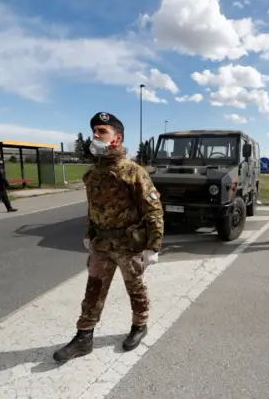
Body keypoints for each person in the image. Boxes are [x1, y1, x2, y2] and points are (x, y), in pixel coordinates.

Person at [53, 111, 164, 362]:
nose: (96, 135)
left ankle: (139, 325)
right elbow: (92, 209)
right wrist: (88, 235)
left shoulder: (133, 172)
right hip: (101, 244)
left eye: (102, 131)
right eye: (94, 130)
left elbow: (153, 209)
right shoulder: (91, 174)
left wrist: (153, 246)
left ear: (118, 137)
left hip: (128, 244)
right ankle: (84, 337)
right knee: (93, 290)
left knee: (135, 289)